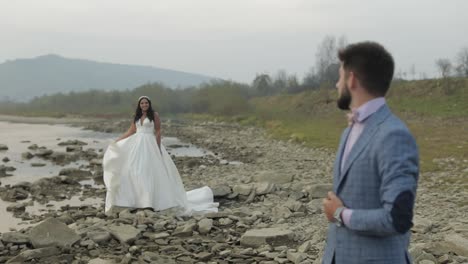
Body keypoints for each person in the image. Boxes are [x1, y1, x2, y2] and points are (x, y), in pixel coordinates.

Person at [322, 42, 419, 264]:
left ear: (352, 79)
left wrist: (340, 214)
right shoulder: (349, 132)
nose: (337, 84)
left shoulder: (394, 136)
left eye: (340, 77)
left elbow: (397, 218)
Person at [103, 96, 219, 215]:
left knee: (149, 171)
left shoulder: (154, 115)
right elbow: (131, 131)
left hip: (150, 144)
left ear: (149, 104)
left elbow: (158, 131)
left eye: (146, 103)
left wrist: (158, 148)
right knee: (133, 170)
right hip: (137, 144)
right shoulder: (136, 116)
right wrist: (117, 140)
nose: (144, 105)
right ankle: (136, 200)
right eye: (142, 103)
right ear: (139, 105)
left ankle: (151, 202)